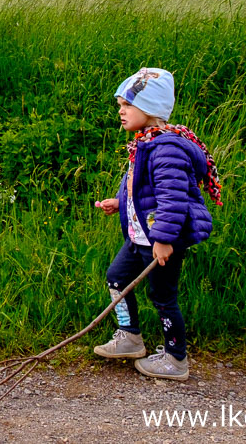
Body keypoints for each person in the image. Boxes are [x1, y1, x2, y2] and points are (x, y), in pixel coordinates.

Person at [91, 67, 222, 381]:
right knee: (116, 278)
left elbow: (172, 199)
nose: (120, 112)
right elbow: (145, 189)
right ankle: (129, 336)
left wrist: (163, 240)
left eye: (127, 106)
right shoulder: (145, 142)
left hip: (161, 240)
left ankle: (176, 358)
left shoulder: (167, 148)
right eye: (120, 105)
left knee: (163, 296)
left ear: (149, 110)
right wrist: (119, 202)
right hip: (140, 237)